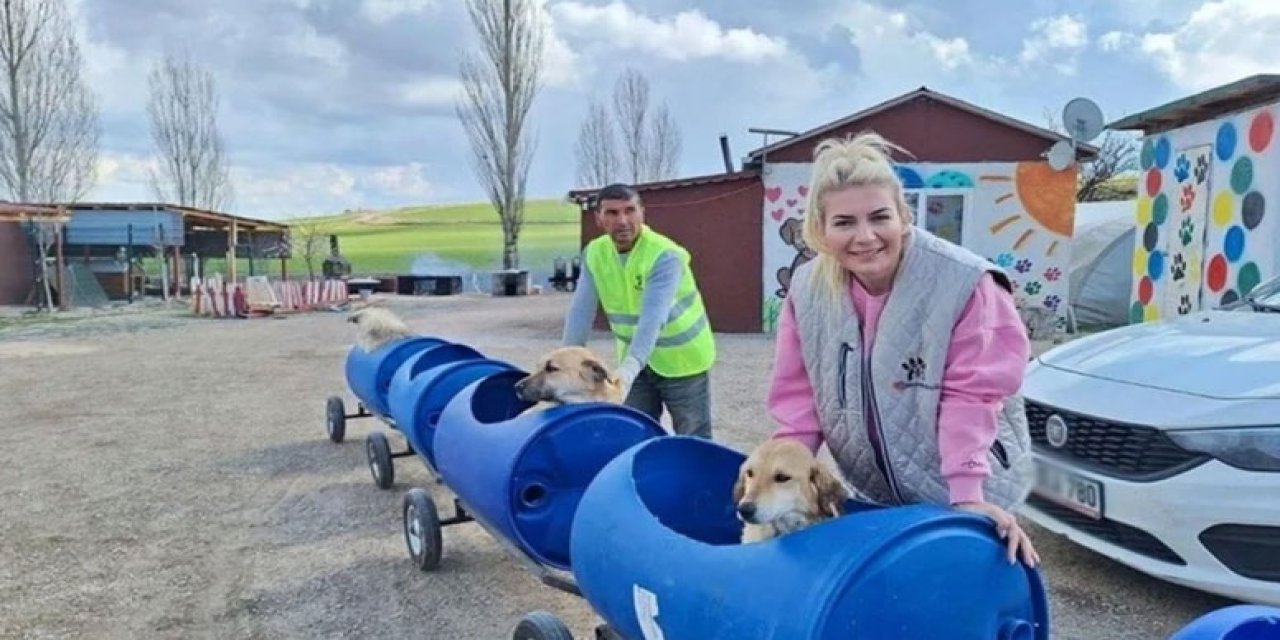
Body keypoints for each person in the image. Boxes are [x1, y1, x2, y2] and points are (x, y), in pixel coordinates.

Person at [767, 132, 1040, 566]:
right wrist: (782, 475)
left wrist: (966, 495)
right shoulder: (808, 288)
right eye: (844, 223)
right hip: (876, 491)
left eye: (880, 217)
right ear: (820, 228)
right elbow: (798, 393)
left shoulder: (965, 283)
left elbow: (973, 395)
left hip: (966, 486)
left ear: (903, 215)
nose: (865, 236)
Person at [562, 183, 717, 439]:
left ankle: (700, 479)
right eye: (612, 213)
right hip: (635, 360)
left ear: (642, 213)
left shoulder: (665, 256)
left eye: (629, 211)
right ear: (598, 218)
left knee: (693, 437)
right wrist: (566, 361)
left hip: (682, 359)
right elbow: (581, 310)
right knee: (635, 433)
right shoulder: (594, 253)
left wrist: (627, 371)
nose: (622, 221)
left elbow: (652, 318)